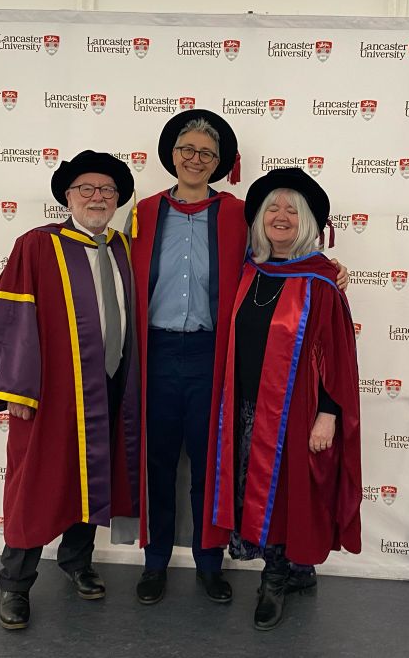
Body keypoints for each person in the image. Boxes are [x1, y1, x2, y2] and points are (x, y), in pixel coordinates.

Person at [132, 111, 349, 607]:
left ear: (221, 163)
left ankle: (209, 563)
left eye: (207, 153)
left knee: (213, 463)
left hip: (215, 358)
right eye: (186, 149)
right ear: (171, 153)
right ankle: (156, 561)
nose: (195, 159)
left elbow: (279, 267)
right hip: (157, 354)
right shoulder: (141, 213)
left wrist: (328, 267)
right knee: (158, 463)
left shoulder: (236, 214)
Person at [0, 150, 141, 630]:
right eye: (86, 189)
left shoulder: (124, 247)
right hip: (52, 393)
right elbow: (11, 318)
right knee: (36, 487)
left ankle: (77, 563)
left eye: (106, 190)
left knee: (92, 478)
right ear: (68, 196)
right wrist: (18, 392)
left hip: (109, 386)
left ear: (118, 198)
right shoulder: (38, 246)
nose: (97, 197)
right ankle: (15, 586)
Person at [202, 167, 361, 631]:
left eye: (293, 209)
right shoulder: (248, 271)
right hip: (244, 410)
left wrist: (328, 415)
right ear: (259, 219)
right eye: (273, 206)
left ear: (309, 223)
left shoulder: (321, 282)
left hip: (296, 414)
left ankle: (276, 579)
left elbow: (339, 358)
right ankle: (296, 568)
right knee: (262, 490)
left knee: (290, 493)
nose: (282, 215)